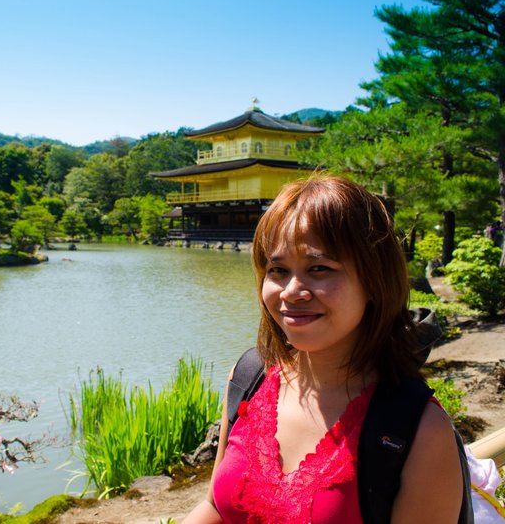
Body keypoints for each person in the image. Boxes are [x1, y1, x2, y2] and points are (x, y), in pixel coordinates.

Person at [182, 176, 464, 523]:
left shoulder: (420, 431)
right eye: (278, 270)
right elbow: (214, 507)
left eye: (319, 269)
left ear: (374, 280)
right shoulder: (249, 377)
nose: (291, 291)